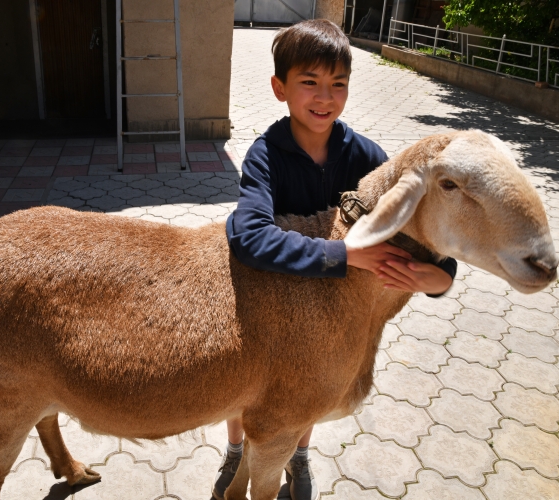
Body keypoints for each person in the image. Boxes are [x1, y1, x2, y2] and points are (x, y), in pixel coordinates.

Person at [213, 19, 457, 500]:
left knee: (310, 387)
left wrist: (441, 276)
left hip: (328, 311)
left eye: (338, 84)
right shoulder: (265, 155)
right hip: (268, 299)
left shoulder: (367, 156)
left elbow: (415, 230)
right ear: (279, 88)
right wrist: (348, 256)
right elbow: (248, 237)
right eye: (309, 83)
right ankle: (238, 449)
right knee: (247, 386)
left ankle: (298, 456)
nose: (324, 97)